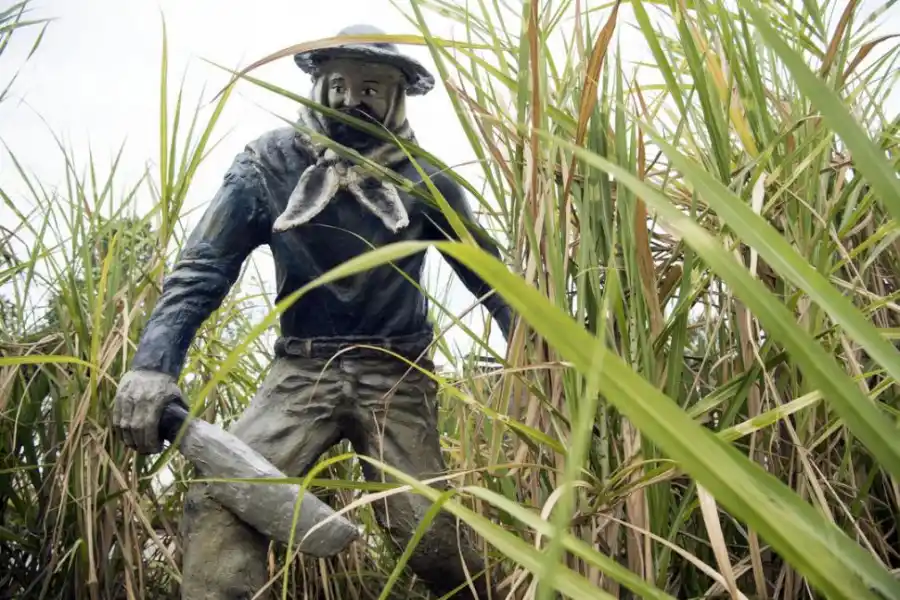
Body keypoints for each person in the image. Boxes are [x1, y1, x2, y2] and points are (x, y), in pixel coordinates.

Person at [112, 23, 515, 600]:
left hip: (396, 373)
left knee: (426, 533)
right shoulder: (264, 167)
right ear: (316, 84)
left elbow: (494, 283)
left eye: (373, 87)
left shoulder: (429, 182)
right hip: (300, 373)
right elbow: (201, 270)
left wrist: (549, 365)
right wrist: (154, 366)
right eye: (338, 83)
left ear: (399, 96)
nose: (354, 99)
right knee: (221, 500)